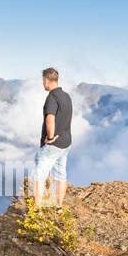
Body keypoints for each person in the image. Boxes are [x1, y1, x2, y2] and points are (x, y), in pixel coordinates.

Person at [33, 67, 73, 212]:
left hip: (53, 144)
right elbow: (70, 118)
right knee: (61, 174)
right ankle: (59, 207)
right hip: (66, 142)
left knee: (38, 175)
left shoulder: (52, 97)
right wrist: (64, 133)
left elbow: (50, 119)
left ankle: (36, 210)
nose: (43, 83)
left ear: (47, 80)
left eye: (43, 80)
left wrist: (50, 137)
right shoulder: (66, 96)